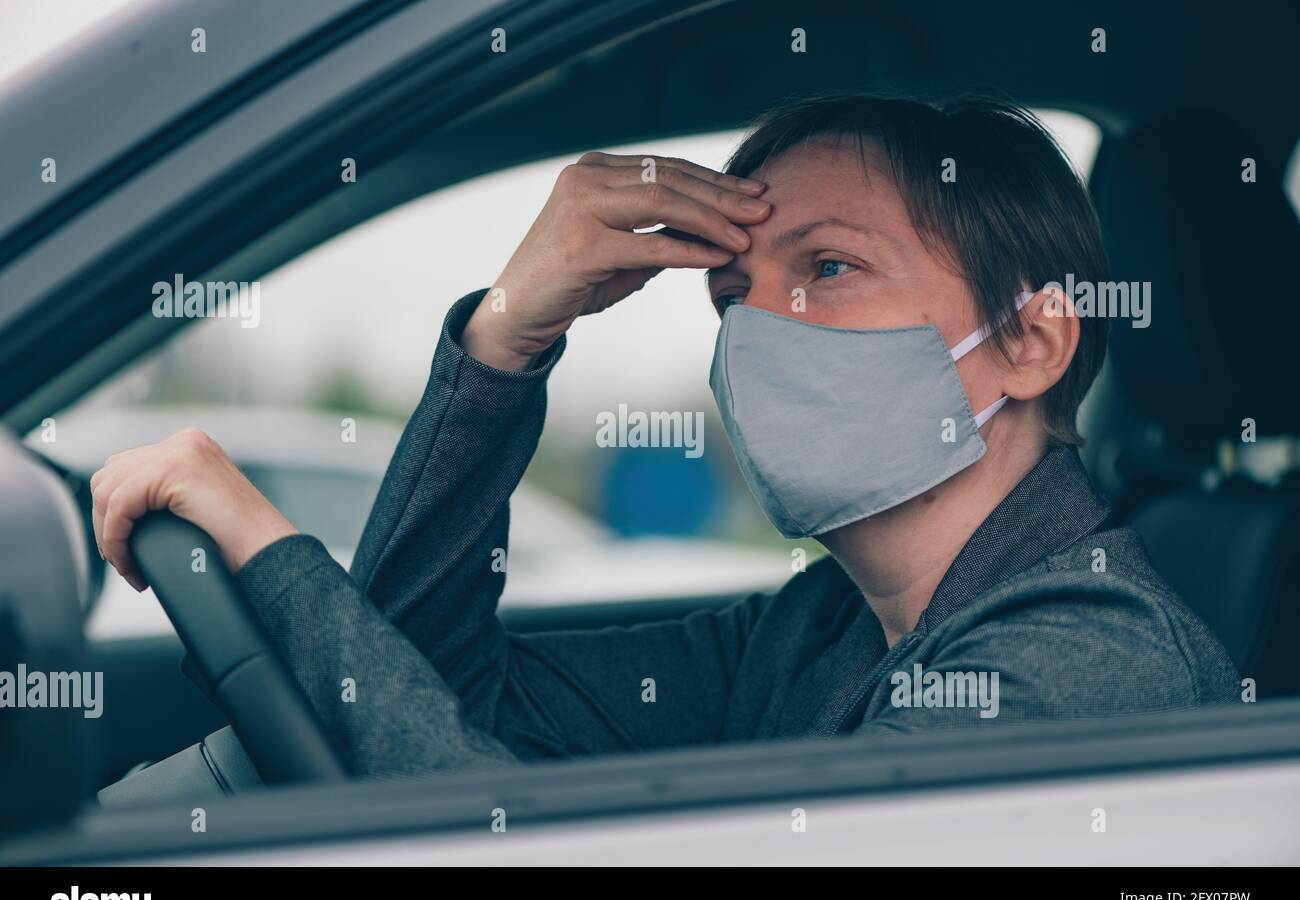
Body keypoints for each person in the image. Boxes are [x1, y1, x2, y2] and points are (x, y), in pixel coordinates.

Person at [89, 94, 1240, 777]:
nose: (754, 333)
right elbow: (431, 696)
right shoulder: (820, 628)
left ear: (1032, 341)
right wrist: (504, 341)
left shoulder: (1083, 666)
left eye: (827, 269)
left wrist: (261, 542)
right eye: (730, 294)